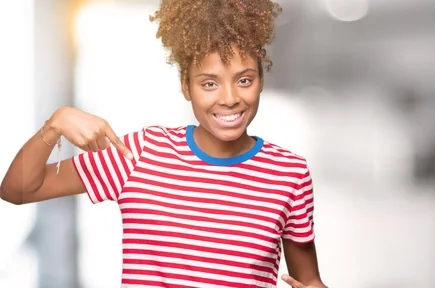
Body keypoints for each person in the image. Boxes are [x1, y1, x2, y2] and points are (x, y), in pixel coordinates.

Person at [0, 0, 327, 287]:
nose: (230, 99)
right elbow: (17, 189)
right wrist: (54, 125)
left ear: (261, 81)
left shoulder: (289, 174)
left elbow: (308, 279)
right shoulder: (141, 154)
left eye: (244, 80)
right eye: (209, 83)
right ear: (186, 85)